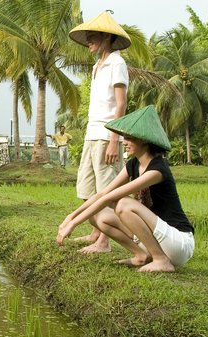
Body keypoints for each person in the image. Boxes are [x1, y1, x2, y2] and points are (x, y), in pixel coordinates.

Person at [57, 106, 195, 272]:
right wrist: (70, 217)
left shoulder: (157, 169)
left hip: (178, 242)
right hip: (156, 237)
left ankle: (161, 260)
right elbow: (102, 193)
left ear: (143, 139)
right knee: (98, 217)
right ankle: (141, 255)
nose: (125, 142)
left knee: (124, 204)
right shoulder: (133, 164)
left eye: (129, 138)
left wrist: (73, 224)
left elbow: (110, 198)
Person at [68, 11, 131, 254]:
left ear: (106, 36)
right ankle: (96, 232)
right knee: (87, 189)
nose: (88, 41)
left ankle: (104, 242)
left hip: (107, 135)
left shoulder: (117, 63)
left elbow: (121, 103)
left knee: (107, 191)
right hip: (91, 134)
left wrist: (115, 138)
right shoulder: (97, 65)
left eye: (92, 36)